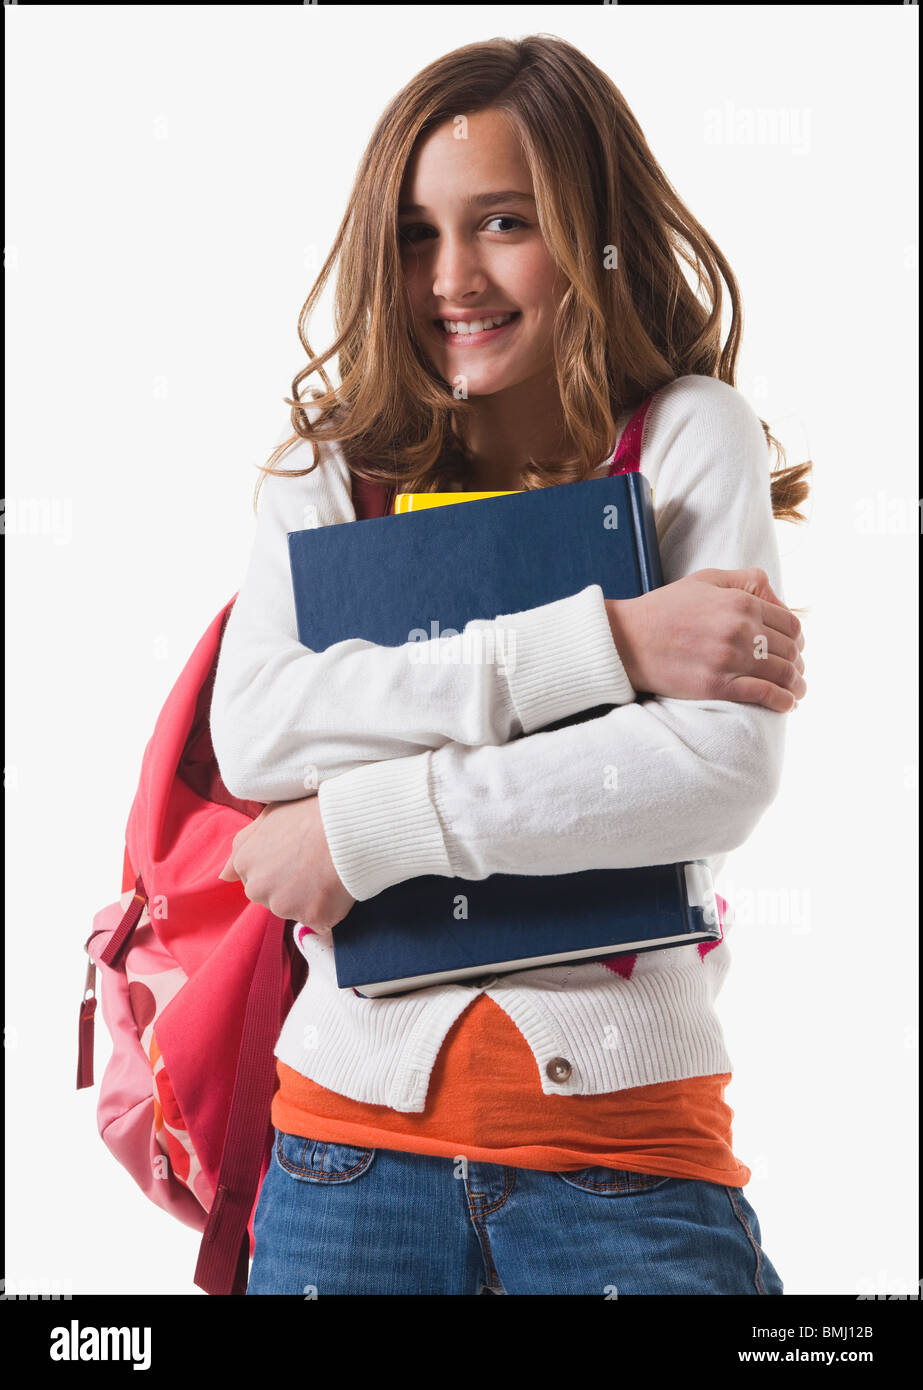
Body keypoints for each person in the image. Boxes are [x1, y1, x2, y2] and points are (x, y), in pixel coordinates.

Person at [211, 35, 811, 1296]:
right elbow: (260, 734)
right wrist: (609, 648)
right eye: (417, 234)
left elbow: (709, 774)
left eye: (501, 224)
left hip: (626, 1160)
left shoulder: (688, 437)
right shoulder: (334, 467)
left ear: (592, 236)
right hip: (342, 1155)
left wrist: (358, 826)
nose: (451, 278)